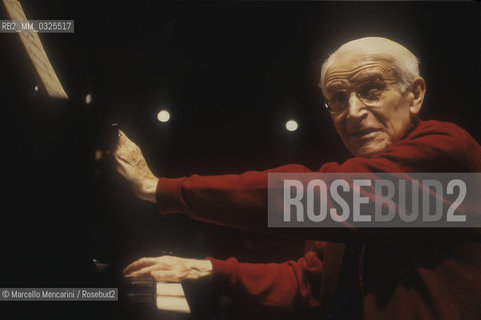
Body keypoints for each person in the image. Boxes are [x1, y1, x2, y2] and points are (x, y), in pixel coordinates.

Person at [114, 37, 481, 319]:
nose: (353, 112)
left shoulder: (447, 149)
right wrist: (210, 269)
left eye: (371, 90)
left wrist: (159, 188)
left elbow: (322, 197)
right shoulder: (359, 185)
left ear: (414, 95)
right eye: (338, 99)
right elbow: (313, 280)